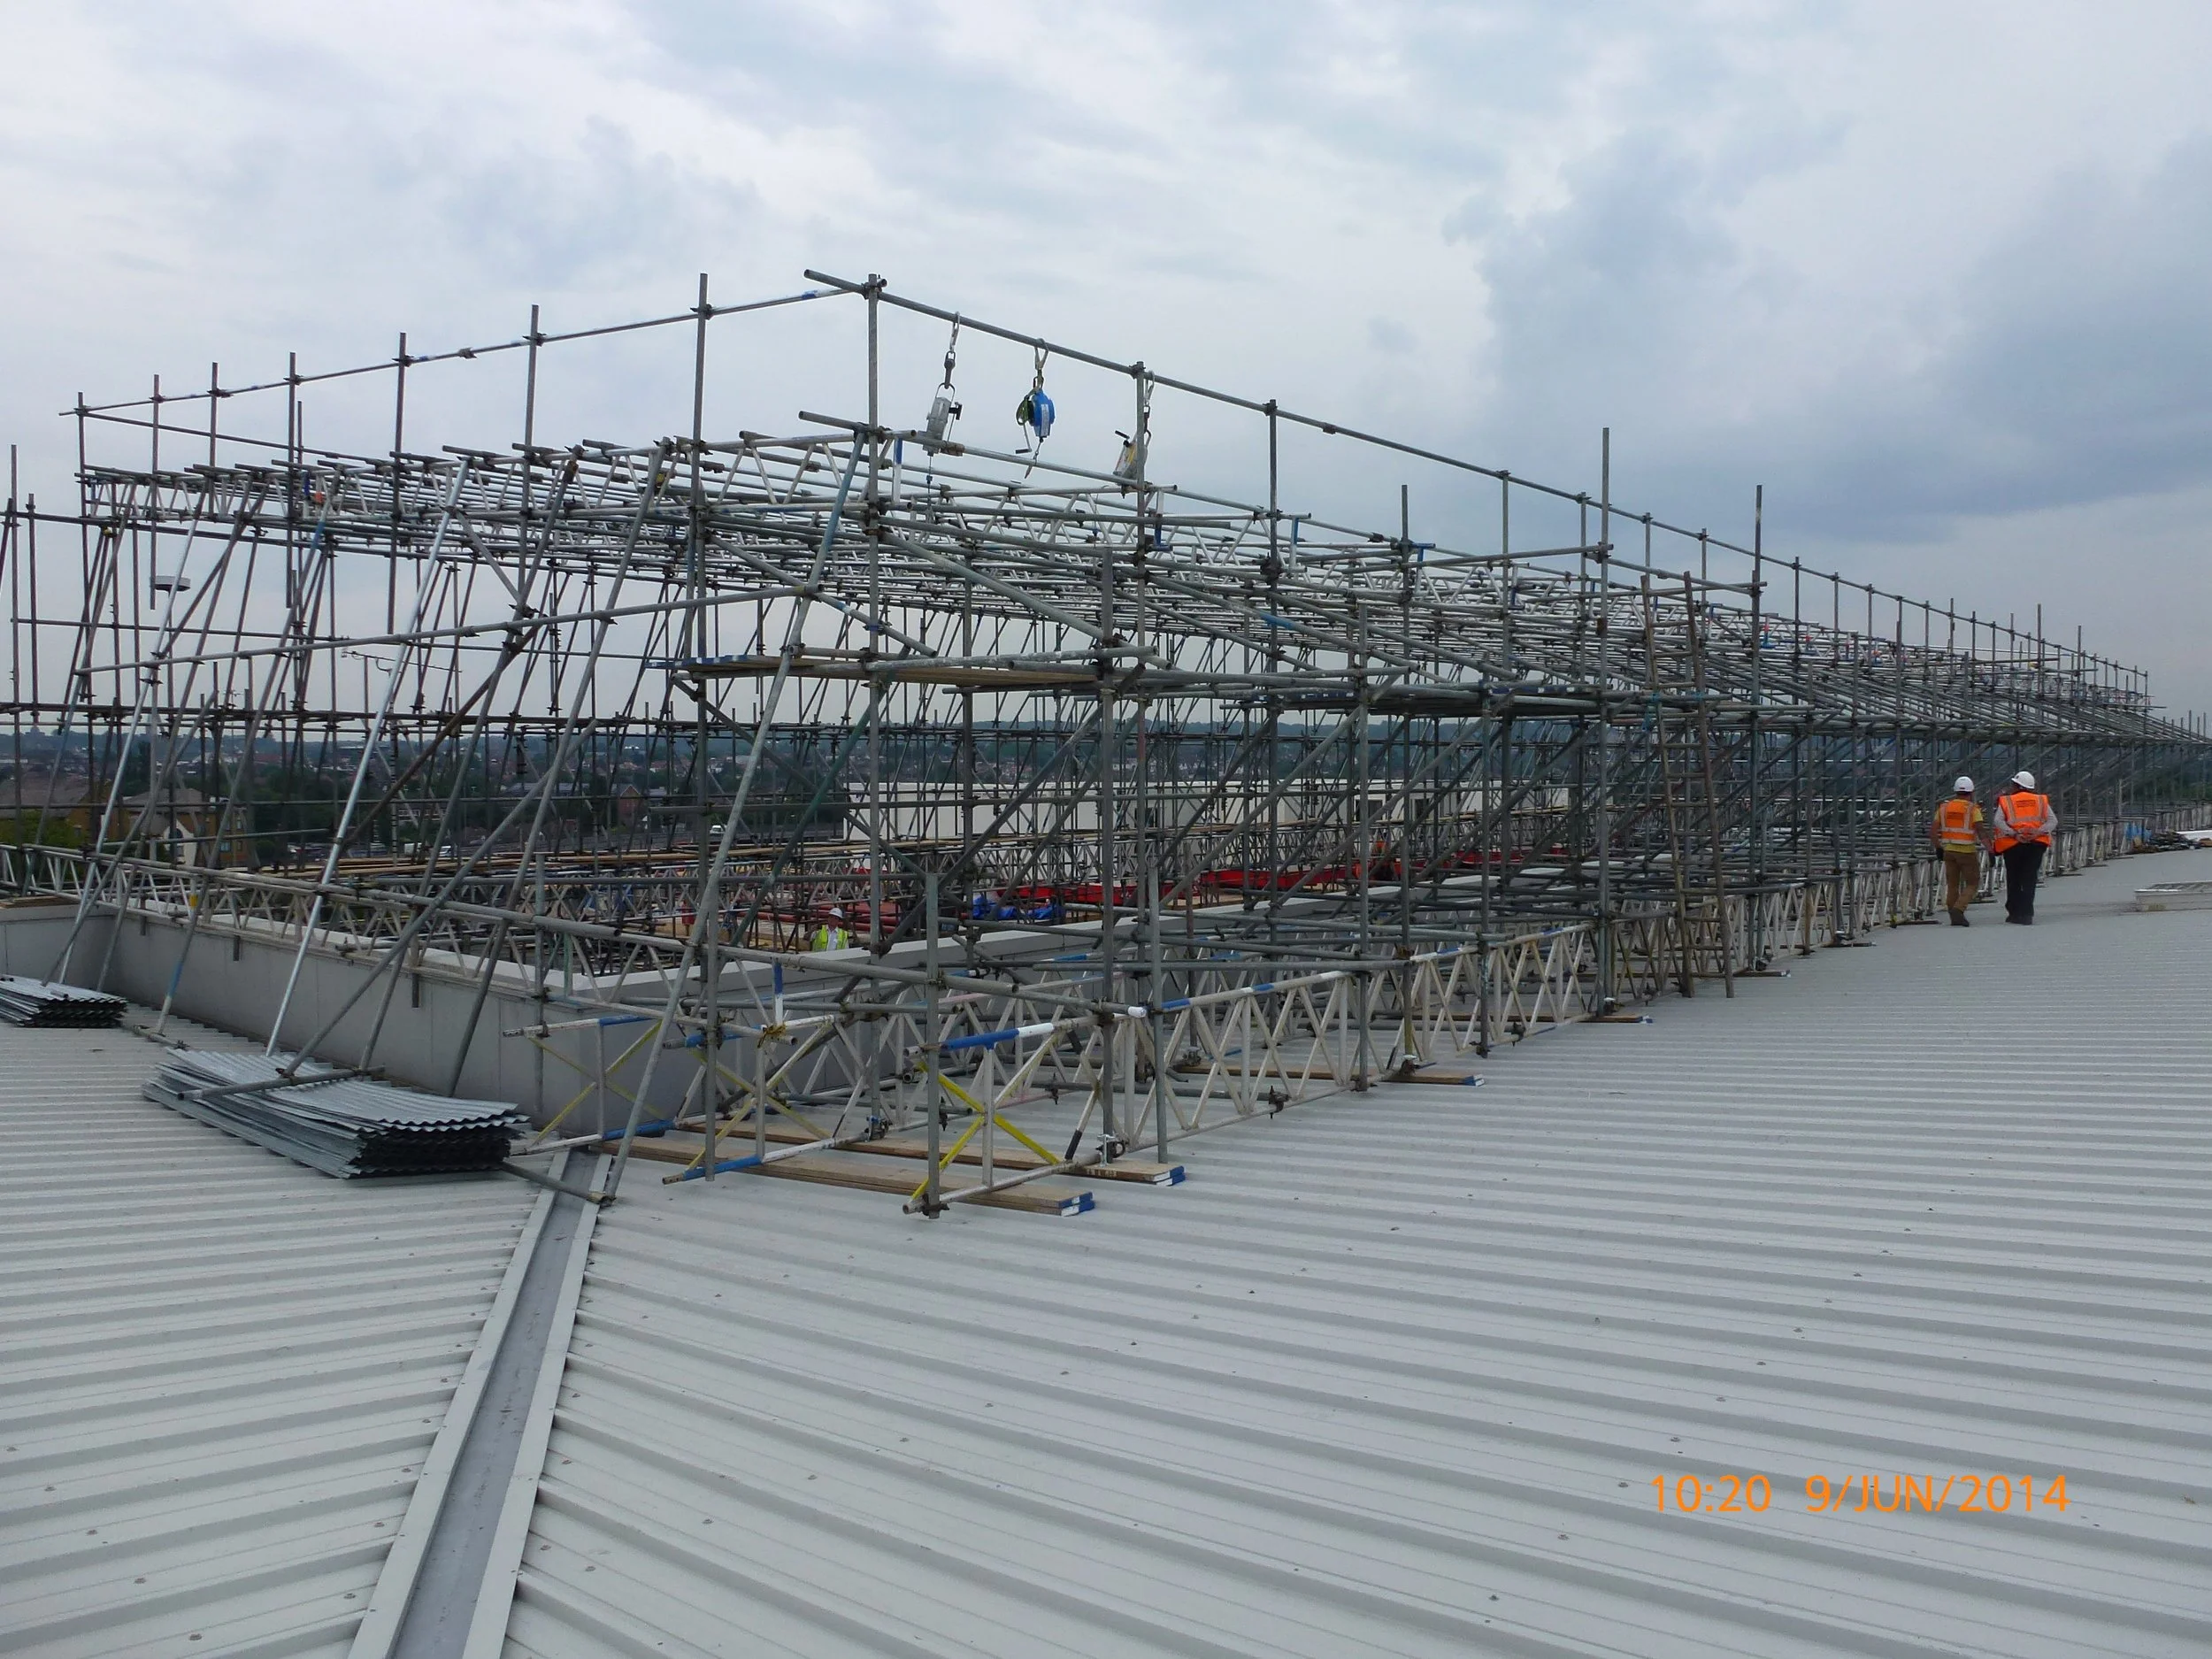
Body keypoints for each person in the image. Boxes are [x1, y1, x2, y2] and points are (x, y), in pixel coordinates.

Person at [1992, 771, 2056, 924]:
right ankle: (2027, 914)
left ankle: (2014, 912)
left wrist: (2014, 834)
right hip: (2036, 845)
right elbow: (2053, 821)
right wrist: (2037, 832)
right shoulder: (2041, 801)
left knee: (2014, 878)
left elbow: (1998, 821)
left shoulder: (2007, 801)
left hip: (2013, 844)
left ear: (2016, 785)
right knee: (2029, 878)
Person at [1929, 776, 1986, 926]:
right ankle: (1959, 909)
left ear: (1955, 791)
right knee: (1973, 882)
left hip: (1949, 851)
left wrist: (1938, 847)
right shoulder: (1973, 809)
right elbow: (1981, 831)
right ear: (1971, 792)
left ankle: (1953, 916)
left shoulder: (1943, 808)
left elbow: (1933, 831)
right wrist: (1991, 849)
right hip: (1967, 851)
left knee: (1952, 885)